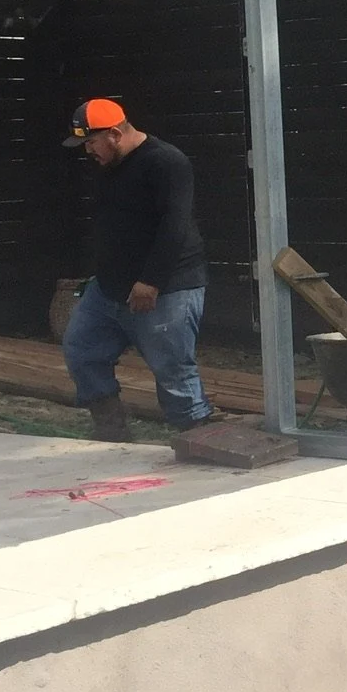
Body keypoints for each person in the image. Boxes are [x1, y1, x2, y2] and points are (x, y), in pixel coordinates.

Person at [60, 98, 214, 439]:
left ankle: (197, 437)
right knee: (81, 349)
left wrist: (151, 281)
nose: (88, 151)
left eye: (91, 142)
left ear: (114, 134)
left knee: (172, 368)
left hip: (167, 288)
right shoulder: (109, 167)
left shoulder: (166, 162)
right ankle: (111, 430)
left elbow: (174, 226)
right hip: (110, 287)